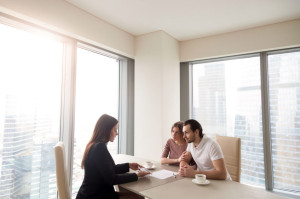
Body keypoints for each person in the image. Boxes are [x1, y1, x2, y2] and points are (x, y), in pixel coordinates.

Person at [76, 114, 150, 199]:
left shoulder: (95, 145)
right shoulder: (99, 148)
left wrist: (128, 165)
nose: (117, 133)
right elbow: (112, 179)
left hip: (95, 194)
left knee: (137, 196)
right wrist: (137, 175)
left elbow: (109, 170)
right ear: (106, 130)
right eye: (115, 130)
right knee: (138, 198)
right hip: (96, 196)